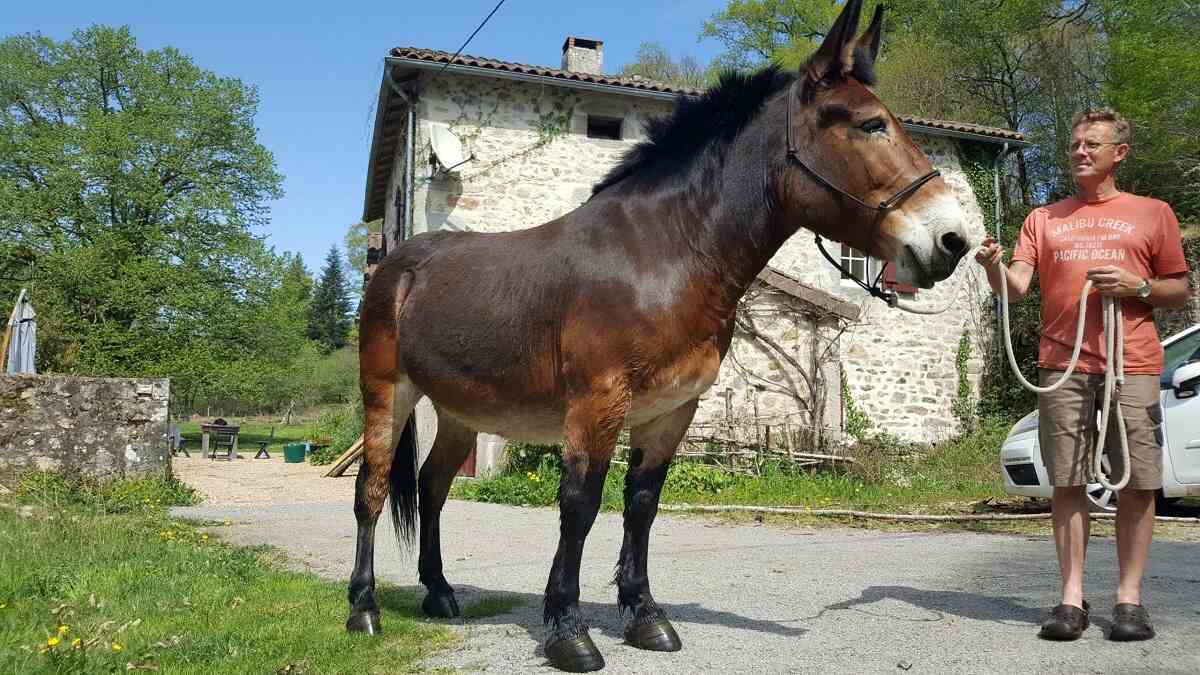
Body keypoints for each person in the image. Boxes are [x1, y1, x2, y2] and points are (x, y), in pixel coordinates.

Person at [975, 108, 1190, 642]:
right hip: (1061, 365)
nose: (1079, 151)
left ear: (1119, 152)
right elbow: (1017, 288)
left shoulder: (1153, 213)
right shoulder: (1044, 219)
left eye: (1091, 143)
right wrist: (990, 267)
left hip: (1132, 363)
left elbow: (1179, 290)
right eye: (1074, 144)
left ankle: (1129, 600)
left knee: (1138, 483)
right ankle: (1071, 599)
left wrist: (1136, 287)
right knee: (1067, 481)